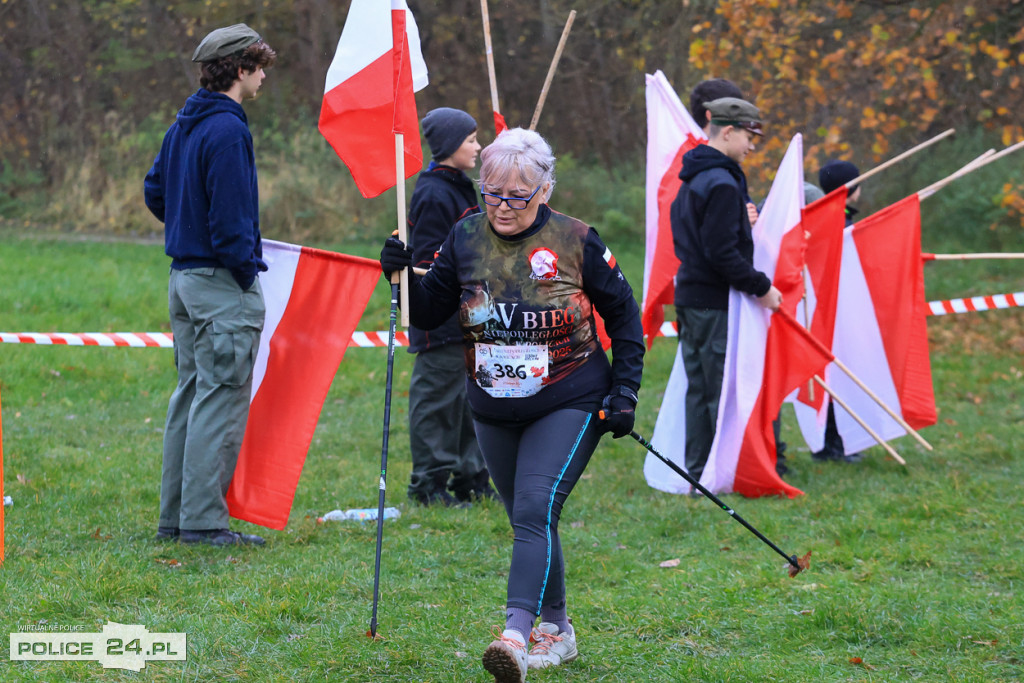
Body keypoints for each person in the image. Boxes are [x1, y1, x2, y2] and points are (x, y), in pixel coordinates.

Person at [380, 128, 644, 682]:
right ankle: (559, 630)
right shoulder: (465, 236)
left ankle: (515, 637)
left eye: (517, 197)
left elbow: (624, 316)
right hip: (493, 404)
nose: (501, 207)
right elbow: (429, 314)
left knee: (532, 509)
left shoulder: (576, 240)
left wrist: (625, 391)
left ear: (544, 191)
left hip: (570, 396)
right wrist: (399, 273)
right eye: (491, 193)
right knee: (530, 517)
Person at [144, 24, 276, 546]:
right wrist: (243, 269)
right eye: (260, 66)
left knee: (192, 394)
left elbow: (156, 192)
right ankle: (202, 523)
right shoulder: (227, 128)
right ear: (240, 70)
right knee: (220, 397)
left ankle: (175, 518)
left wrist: (186, 225)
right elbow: (230, 219)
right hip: (220, 282)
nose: (264, 75)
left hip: (182, 280)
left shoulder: (184, 124)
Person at [671, 97, 782, 486]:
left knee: (700, 390)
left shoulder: (697, 175)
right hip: (712, 302)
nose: (752, 146)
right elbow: (722, 252)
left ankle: (698, 474)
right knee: (718, 391)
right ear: (729, 131)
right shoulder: (719, 181)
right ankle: (716, 476)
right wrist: (761, 287)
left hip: (692, 297)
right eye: (749, 137)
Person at [405, 107, 494, 506]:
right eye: (471, 140)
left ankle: (472, 478)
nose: (478, 146)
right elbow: (428, 263)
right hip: (440, 322)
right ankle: (429, 484)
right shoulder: (434, 193)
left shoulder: (460, 186)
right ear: (450, 146)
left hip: (470, 319)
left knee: (470, 403)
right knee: (437, 404)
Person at [812, 159, 864, 464]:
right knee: (835, 378)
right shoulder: (836, 223)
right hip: (836, 312)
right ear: (851, 188)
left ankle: (834, 441)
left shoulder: (834, 219)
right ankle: (832, 443)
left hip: (835, 309)